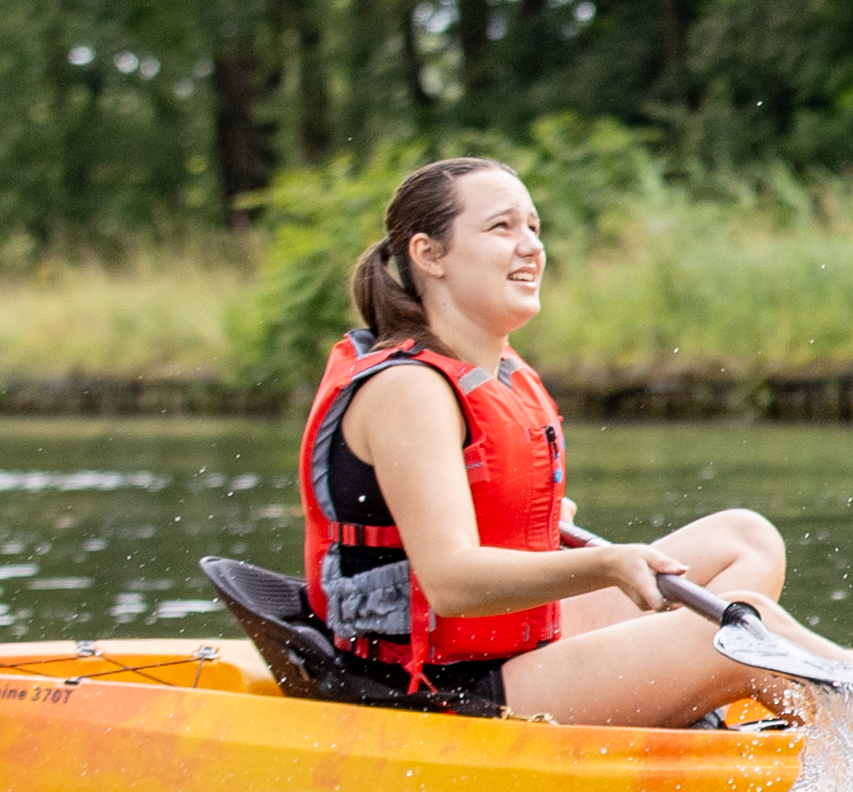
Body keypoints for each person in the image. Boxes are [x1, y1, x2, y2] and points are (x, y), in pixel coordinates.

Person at [296, 154, 803, 728]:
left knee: (745, 539)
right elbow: (451, 582)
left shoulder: (495, 371)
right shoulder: (409, 387)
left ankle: (675, 696)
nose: (531, 246)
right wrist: (608, 565)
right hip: (435, 689)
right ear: (428, 254)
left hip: (511, 647)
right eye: (501, 227)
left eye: (533, 228)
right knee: (742, 629)